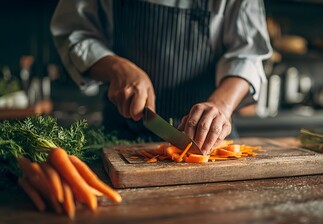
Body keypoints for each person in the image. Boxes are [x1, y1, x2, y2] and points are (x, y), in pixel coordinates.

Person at [50, 0, 272, 155]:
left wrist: (221, 105)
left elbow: (248, 55)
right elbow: (74, 32)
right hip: (121, 137)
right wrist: (117, 68)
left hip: (210, 141)